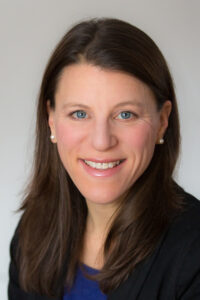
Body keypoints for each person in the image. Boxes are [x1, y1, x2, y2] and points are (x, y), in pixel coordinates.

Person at [8, 18, 200, 300]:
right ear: (51, 120)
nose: (101, 141)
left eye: (125, 114)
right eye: (80, 114)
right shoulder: (33, 231)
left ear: (162, 121)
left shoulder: (194, 253)